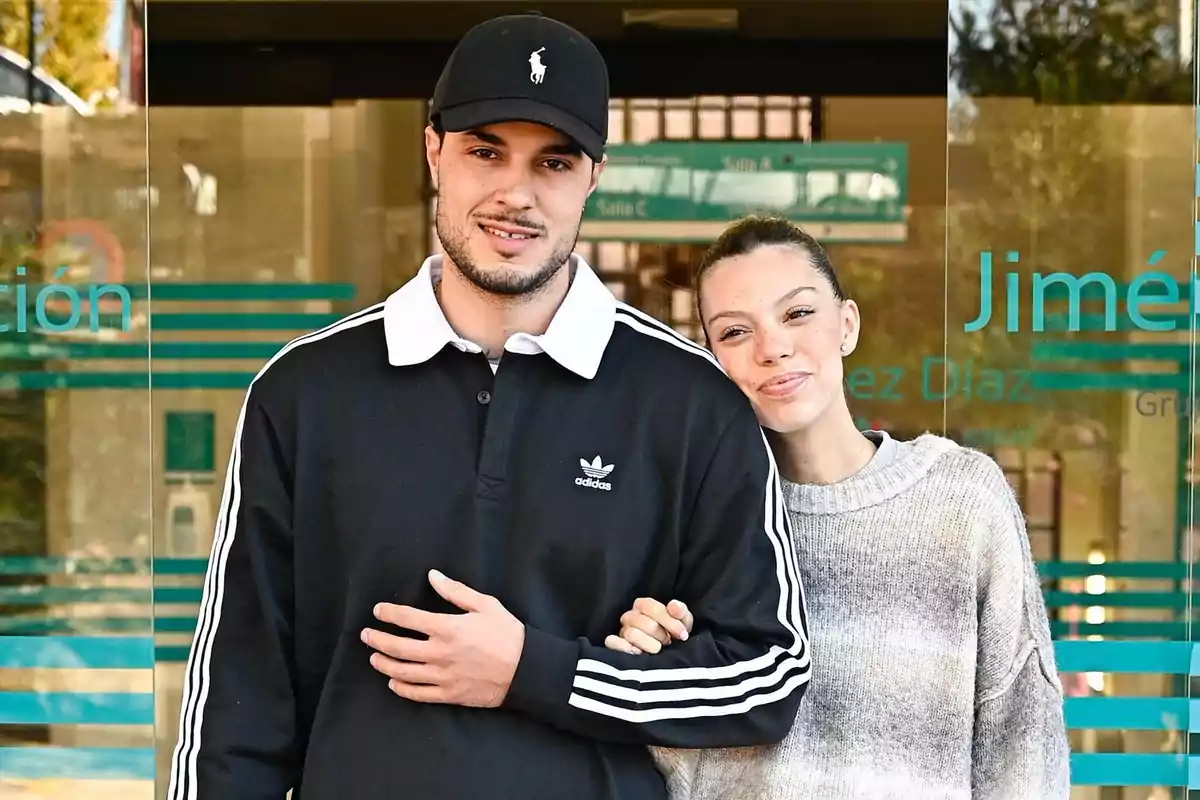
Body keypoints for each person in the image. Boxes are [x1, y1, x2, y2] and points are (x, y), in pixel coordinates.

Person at [165, 14, 810, 800]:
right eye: (485, 151)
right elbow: (237, 707)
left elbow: (769, 676)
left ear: (594, 176)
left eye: (554, 162)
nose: (517, 193)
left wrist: (534, 671)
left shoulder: (689, 401)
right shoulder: (304, 393)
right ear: (434, 150)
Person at [606, 214, 1071, 799]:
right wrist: (654, 669)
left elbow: (1023, 744)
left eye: (798, 314)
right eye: (734, 332)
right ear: (712, 360)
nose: (773, 349)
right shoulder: (698, 518)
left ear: (846, 325)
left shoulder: (961, 500)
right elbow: (679, 776)